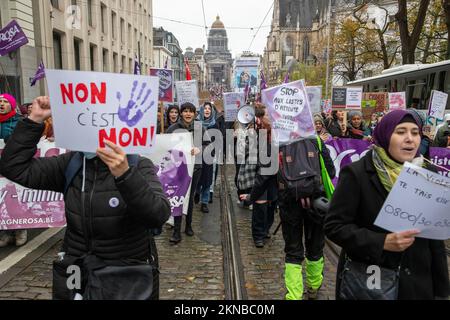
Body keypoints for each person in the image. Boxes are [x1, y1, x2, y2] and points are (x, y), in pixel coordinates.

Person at [0, 96, 171, 299]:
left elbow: (158, 214)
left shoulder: (138, 165)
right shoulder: (71, 163)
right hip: (78, 269)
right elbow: (14, 168)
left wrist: (125, 175)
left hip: (124, 273)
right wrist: (33, 120)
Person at [324, 110, 449, 300]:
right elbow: (334, 227)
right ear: (385, 134)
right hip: (372, 283)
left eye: (415, 133)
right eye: (401, 132)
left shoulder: (428, 173)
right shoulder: (357, 174)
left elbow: (436, 242)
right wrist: (381, 242)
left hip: (418, 285)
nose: (410, 139)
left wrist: (442, 292)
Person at [278, 133, 336, 300]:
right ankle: (313, 286)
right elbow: (330, 171)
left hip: (289, 204)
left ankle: (294, 295)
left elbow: (267, 175)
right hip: (316, 203)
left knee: (293, 250)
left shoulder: (279, 141)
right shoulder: (316, 140)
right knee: (316, 246)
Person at [167, 102, 209, 243]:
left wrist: (199, 149)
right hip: (178, 168)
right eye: (185, 111)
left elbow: (207, 144)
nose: (188, 114)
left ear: (194, 113)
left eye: (190, 111)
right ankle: (176, 230)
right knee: (179, 197)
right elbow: (166, 145)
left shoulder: (199, 127)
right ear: (181, 113)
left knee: (190, 197)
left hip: (195, 167)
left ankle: (189, 225)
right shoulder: (173, 128)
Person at [239, 105, 278, 248]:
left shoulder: (275, 132)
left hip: (273, 176)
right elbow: (243, 151)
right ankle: (258, 235)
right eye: (261, 116)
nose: (263, 118)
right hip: (258, 172)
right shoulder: (252, 131)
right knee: (260, 205)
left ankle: (266, 229)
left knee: (271, 204)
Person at [0, 93, 27, 248]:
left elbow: (28, 138)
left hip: (15, 166)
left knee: (15, 198)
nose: (1, 103)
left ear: (12, 104)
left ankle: (20, 229)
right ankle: (4, 233)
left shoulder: (19, 121)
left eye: (5, 101)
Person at [196, 102, 217, 213]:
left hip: (210, 155)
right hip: (197, 154)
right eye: (205, 108)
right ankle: (197, 192)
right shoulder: (196, 123)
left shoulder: (215, 124)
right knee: (198, 176)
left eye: (209, 108)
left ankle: (204, 202)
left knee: (208, 178)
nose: (207, 110)